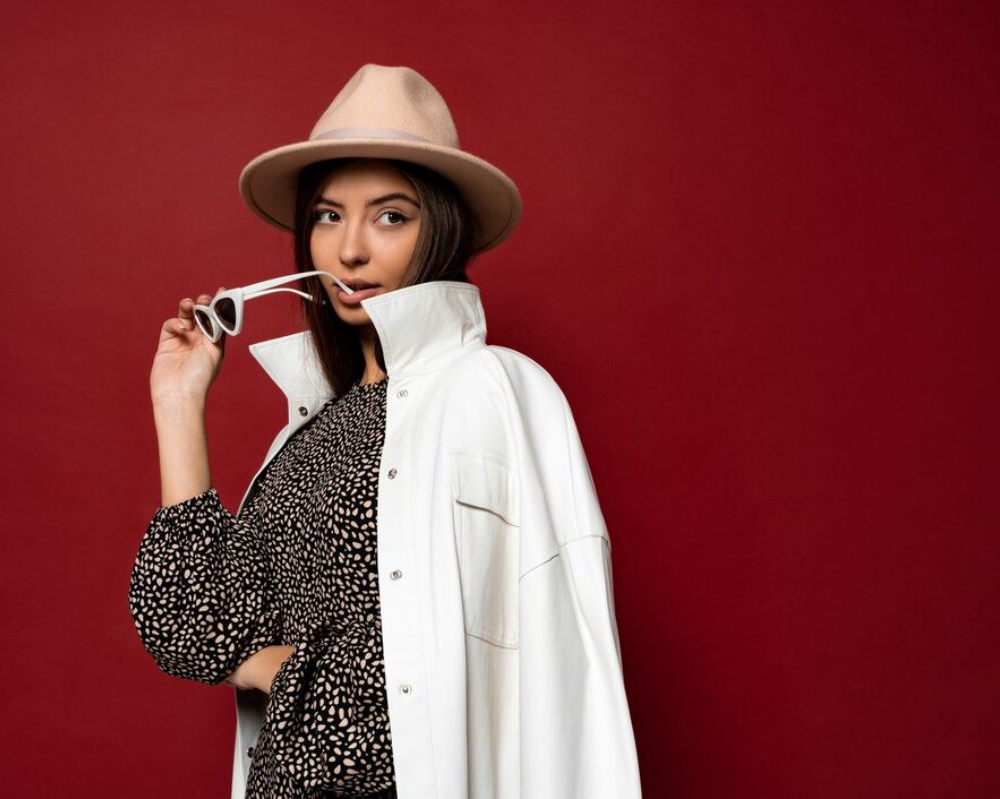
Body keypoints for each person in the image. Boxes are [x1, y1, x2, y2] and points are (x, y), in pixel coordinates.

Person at [128, 64, 642, 799]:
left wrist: (288, 670)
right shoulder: (304, 437)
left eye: (391, 216)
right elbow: (190, 623)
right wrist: (178, 404)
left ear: (441, 228)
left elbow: (547, 660)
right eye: (329, 215)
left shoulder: (494, 388)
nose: (351, 250)